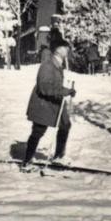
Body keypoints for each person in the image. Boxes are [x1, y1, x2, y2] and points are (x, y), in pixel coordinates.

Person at [22, 36, 76, 169]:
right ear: (58, 50)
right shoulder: (47, 65)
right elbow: (44, 87)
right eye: (65, 47)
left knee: (65, 125)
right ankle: (27, 161)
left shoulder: (57, 64)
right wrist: (64, 91)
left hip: (54, 103)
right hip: (43, 104)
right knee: (38, 131)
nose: (68, 50)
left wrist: (67, 91)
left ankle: (58, 156)